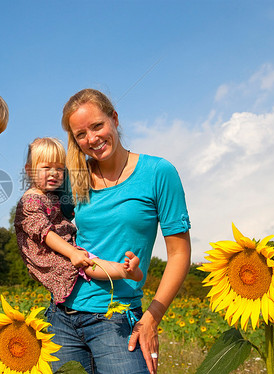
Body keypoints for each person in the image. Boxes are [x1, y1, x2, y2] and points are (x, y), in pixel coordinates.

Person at [46, 89, 191, 374]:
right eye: (81, 134)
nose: (92, 139)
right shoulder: (74, 179)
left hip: (115, 319)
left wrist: (152, 318)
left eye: (97, 126)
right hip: (61, 319)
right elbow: (40, 223)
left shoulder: (158, 172)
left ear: (114, 118)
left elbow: (179, 254)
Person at [14, 137, 143, 305]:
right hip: (48, 252)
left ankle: (124, 270)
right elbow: (46, 234)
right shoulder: (31, 201)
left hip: (62, 244)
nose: (54, 173)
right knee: (86, 263)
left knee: (90, 260)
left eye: (59, 169)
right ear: (29, 170)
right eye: (46, 167)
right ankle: (123, 271)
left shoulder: (51, 195)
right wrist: (72, 252)